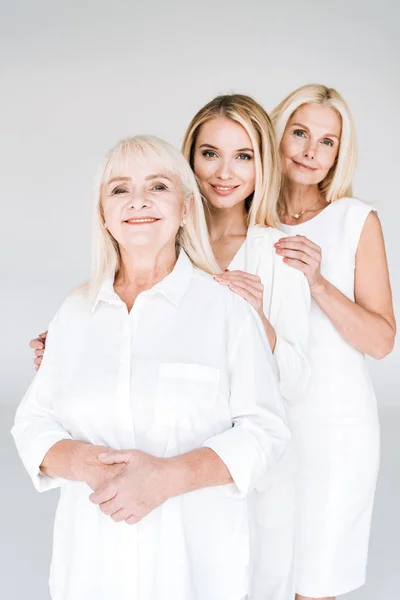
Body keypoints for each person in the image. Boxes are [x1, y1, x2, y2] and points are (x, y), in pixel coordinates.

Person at [31, 95, 312, 600]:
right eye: (121, 189)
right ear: (103, 212)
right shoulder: (73, 313)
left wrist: (167, 478)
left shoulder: (227, 310)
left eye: (158, 187)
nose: (138, 201)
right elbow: (33, 423)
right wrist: (84, 464)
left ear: (185, 208)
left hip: (197, 568)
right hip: (91, 568)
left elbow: (267, 430)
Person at [182, 94, 311, 600]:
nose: (224, 173)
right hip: (184, 455)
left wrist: (259, 317)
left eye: (244, 156)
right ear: (189, 157)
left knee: (259, 583)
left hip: (262, 467)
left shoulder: (277, 254)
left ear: (264, 164)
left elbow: (298, 379)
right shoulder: (170, 245)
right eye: (210, 153)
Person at [270, 83, 396, 600]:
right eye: (299, 133)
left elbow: (382, 340)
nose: (309, 151)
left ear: (340, 153)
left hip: (334, 430)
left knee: (315, 582)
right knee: (255, 572)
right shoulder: (245, 217)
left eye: (327, 141)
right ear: (276, 135)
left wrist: (319, 283)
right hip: (256, 423)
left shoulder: (355, 221)